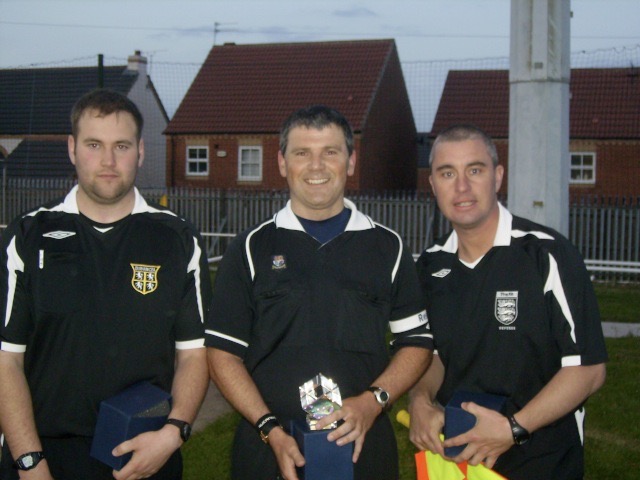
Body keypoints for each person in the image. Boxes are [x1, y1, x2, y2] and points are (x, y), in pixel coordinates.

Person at [205, 105, 433, 480]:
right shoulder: (250, 248)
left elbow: (418, 341)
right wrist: (268, 429)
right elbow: (223, 352)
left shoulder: (387, 247)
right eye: (301, 153)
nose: (316, 166)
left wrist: (374, 401)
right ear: (281, 162)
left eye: (330, 152)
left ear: (351, 161)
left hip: (363, 448)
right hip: (269, 448)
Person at [0, 89, 212, 480]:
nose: (109, 161)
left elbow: (194, 355)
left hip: (147, 452)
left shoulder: (177, 239)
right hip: (46, 458)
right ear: (72, 148)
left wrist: (172, 433)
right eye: (94, 144)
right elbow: (6, 359)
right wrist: (29, 462)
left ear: (141, 152)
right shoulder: (30, 235)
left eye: (122, 146)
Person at [408, 124, 608, 479]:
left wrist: (512, 429)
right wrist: (420, 400)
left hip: (541, 462)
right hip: (460, 464)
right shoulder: (430, 266)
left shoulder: (546, 255)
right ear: (433, 184)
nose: (462, 186)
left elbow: (588, 370)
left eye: (475, 169)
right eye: (447, 173)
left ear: (497, 176)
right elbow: (434, 355)